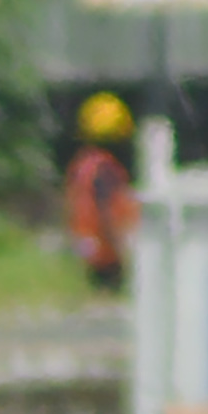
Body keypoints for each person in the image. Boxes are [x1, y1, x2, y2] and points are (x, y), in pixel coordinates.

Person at [66, 92, 141, 290]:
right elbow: (107, 212)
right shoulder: (106, 169)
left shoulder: (81, 164)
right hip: (107, 254)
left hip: (88, 251)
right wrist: (123, 251)